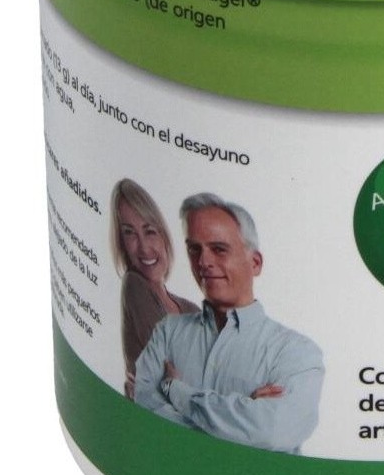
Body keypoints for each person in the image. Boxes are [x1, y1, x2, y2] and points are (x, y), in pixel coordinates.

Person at [134, 193, 324, 453]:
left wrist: (175, 391)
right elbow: (146, 414)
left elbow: (274, 431)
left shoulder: (296, 352)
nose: (203, 262)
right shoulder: (167, 332)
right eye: (194, 250)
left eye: (219, 249)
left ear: (255, 263)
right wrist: (243, 417)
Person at [110, 178, 198, 400]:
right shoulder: (134, 287)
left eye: (149, 231)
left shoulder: (191, 310)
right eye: (129, 233)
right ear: (121, 242)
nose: (143, 248)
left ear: (164, 236)